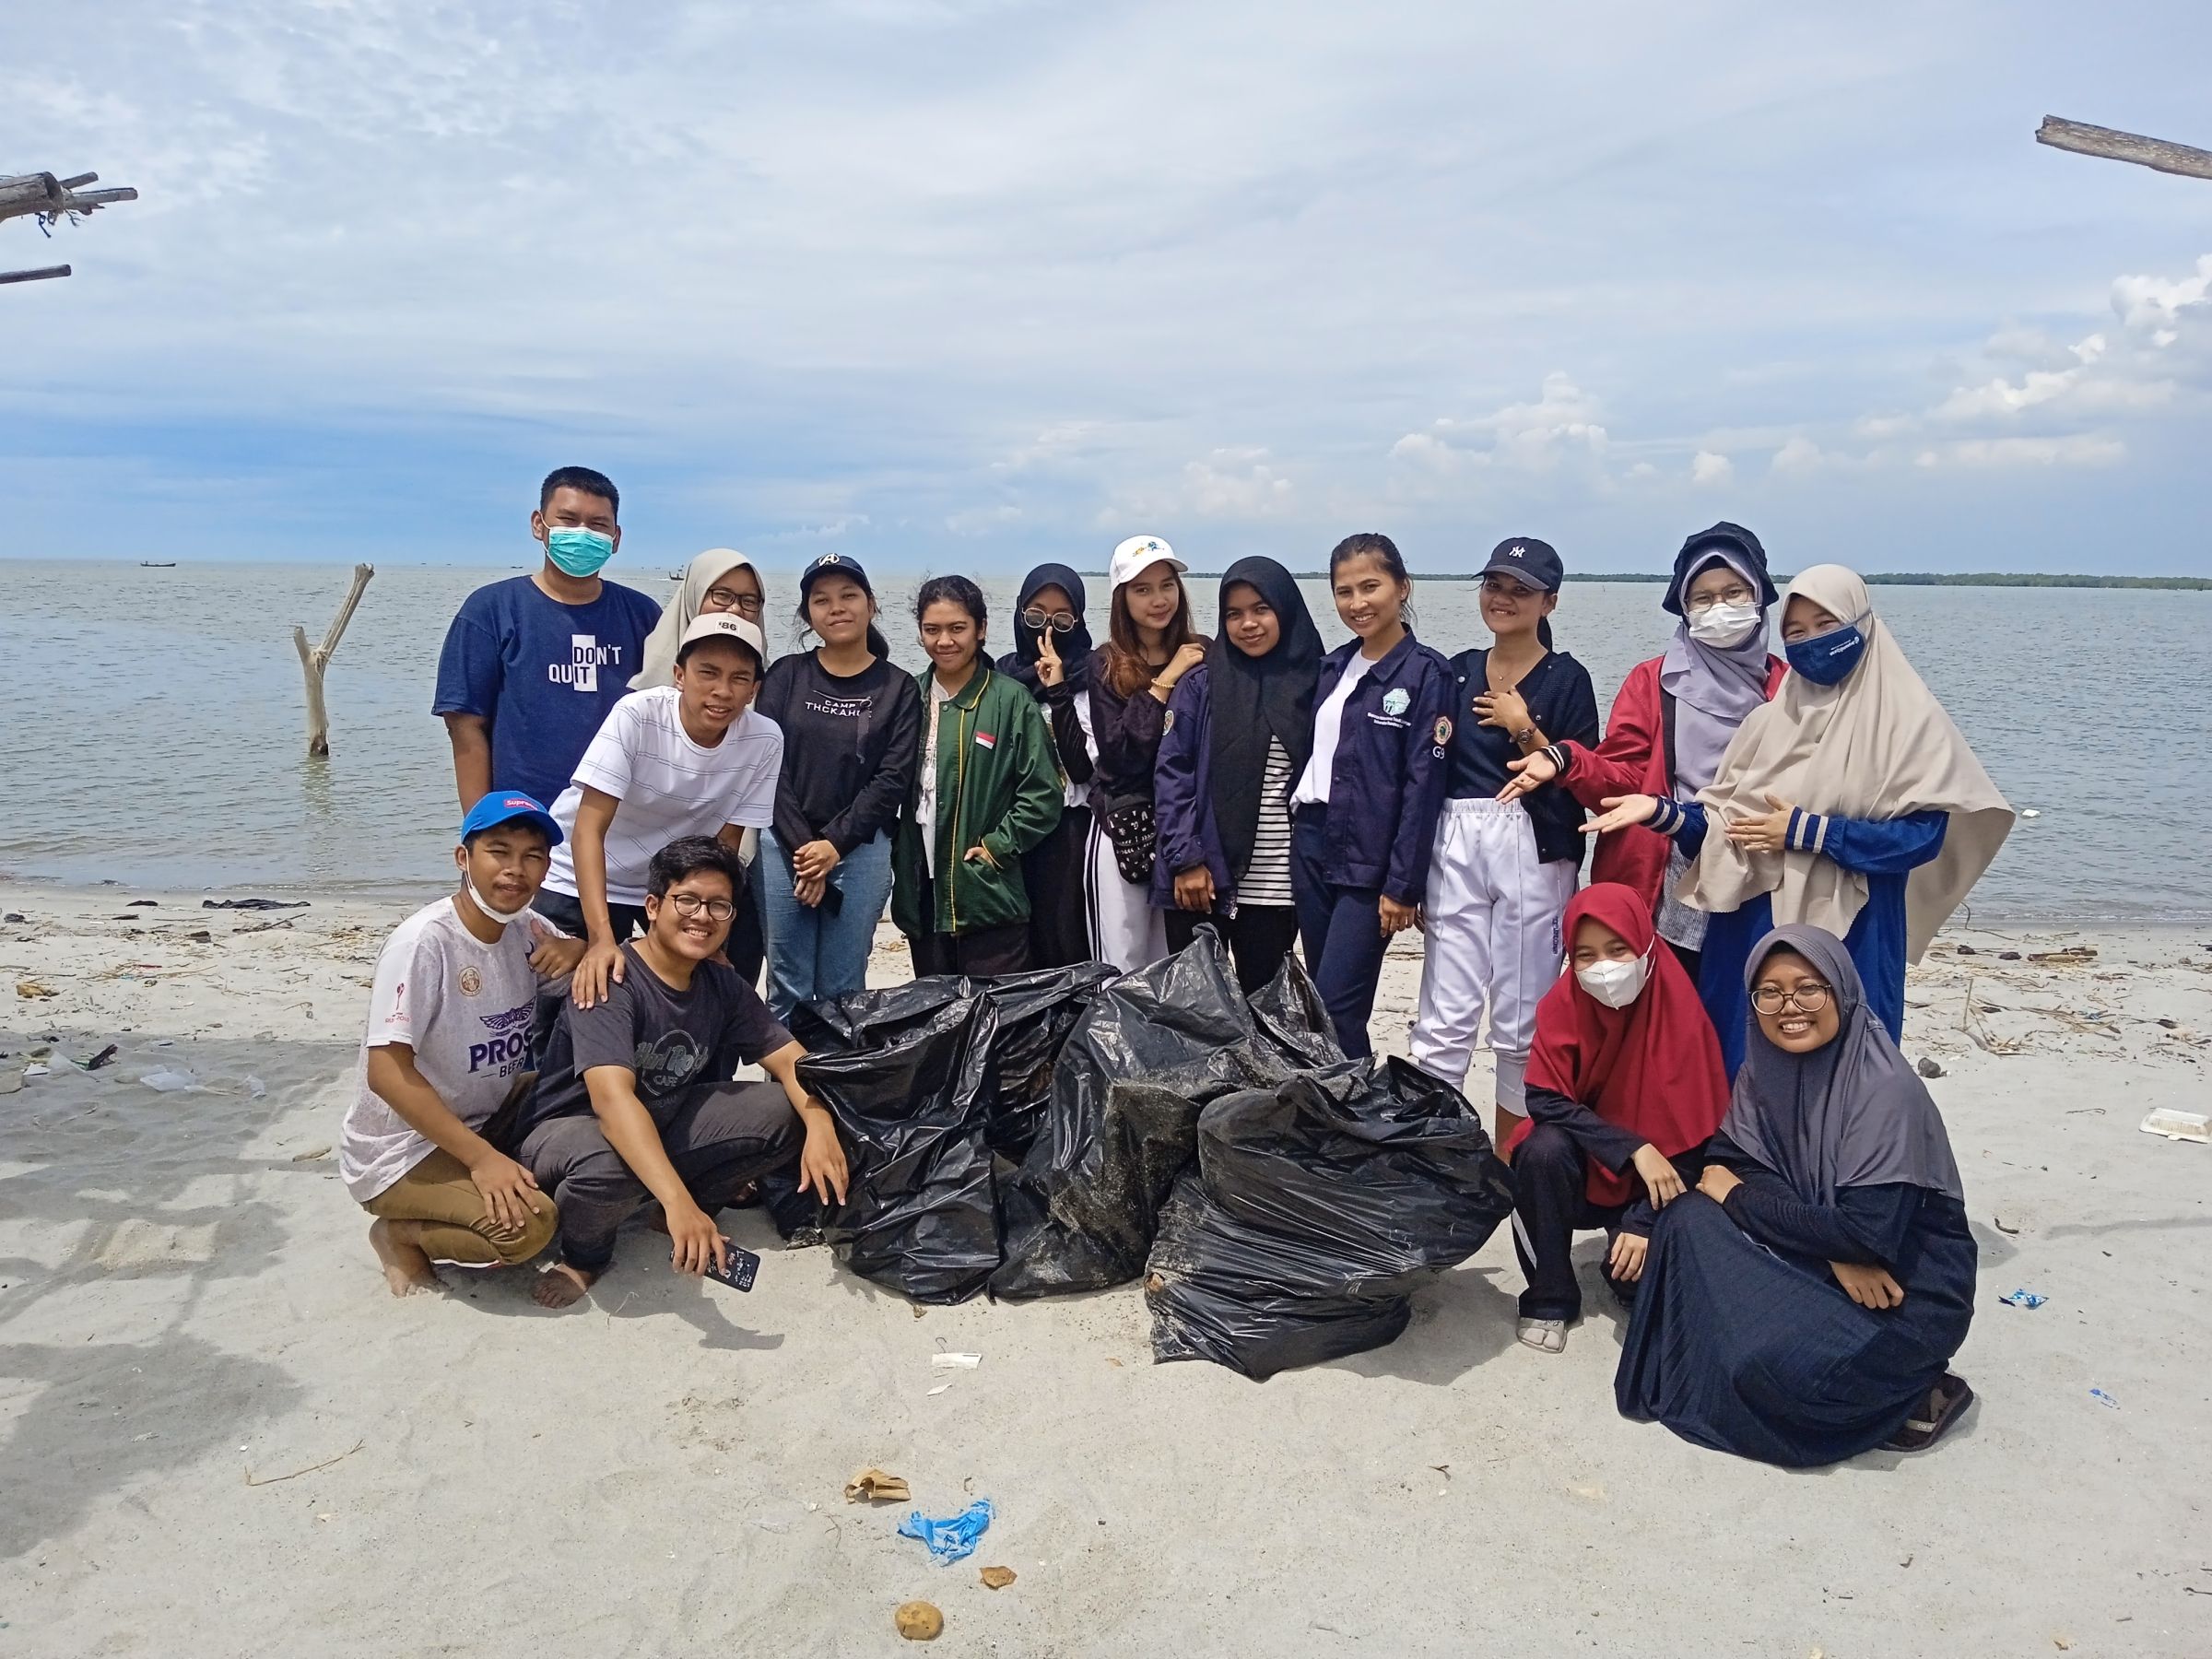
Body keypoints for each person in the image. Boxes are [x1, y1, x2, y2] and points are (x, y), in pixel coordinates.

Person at [1576, 566, 2014, 1075]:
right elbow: (1727, 829)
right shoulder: (1768, 722)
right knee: (1745, 1073)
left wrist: (1808, 833)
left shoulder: (1908, 724)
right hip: (1751, 927)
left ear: (1862, 623)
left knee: (1850, 1071)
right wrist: (1662, 813)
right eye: (1796, 634)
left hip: (1854, 929)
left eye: (1826, 626)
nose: (1810, 643)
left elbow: (1919, 840)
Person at [1615, 924, 1977, 1465]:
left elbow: (1866, 1232)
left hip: (1902, 1293)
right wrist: (1832, 1252)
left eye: (1809, 988)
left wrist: (1742, 1200)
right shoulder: (1764, 1074)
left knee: (1778, 1372)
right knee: (1686, 1218)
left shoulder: (1884, 1091)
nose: (1790, 1007)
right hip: (1831, 1263)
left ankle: (1919, 1388)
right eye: (1770, 992)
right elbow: (1733, 1162)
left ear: (1842, 990)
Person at [512, 836, 851, 1308]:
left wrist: (819, 1125)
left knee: (788, 1109)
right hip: (570, 1134)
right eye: (687, 900)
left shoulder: (720, 984)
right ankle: (584, 1257)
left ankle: (683, 1208)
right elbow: (613, 1104)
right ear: (652, 906)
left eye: (719, 906)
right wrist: (677, 1203)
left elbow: (791, 1059)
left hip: (660, 1119)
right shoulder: (610, 978)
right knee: (612, 1161)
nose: (702, 916)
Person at [1500, 523, 1783, 983]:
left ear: (1760, 597)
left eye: (1734, 593)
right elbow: (1622, 779)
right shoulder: (1654, 682)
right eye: (1703, 598)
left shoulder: (1789, 690)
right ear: (1684, 608)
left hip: (1760, 874)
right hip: (1664, 877)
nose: (1719, 609)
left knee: (1745, 1005)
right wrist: (1564, 758)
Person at [340, 793, 583, 1296]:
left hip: (487, 1111)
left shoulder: (526, 929)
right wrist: (482, 1160)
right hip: (402, 1148)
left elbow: (585, 964)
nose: (516, 870)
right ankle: (400, 1234)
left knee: (583, 1088)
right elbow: (385, 1072)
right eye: (499, 851)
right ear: (463, 858)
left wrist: (579, 947)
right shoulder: (423, 943)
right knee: (530, 1229)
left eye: (532, 856)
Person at [1410, 537, 1599, 1147]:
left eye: (1521, 589)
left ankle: (1515, 1163)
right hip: (1457, 836)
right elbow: (1428, 764)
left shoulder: (1567, 678)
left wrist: (1524, 728)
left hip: (1535, 841)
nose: (1504, 599)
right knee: (1444, 1015)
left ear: (1551, 600)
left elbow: (1582, 775)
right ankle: (1435, 1161)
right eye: (1495, 585)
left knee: (1523, 1019)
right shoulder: (1456, 669)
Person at [1506, 883, 1730, 1354]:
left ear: (1645, 944)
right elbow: (1544, 1098)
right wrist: (1632, 1149)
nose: (1604, 967)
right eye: (1584, 954)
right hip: (1590, 1169)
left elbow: (1700, 1136)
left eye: (1617, 948)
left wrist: (1645, 1222)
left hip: (1662, 1183)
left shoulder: (1682, 1014)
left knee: (1635, 1287)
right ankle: (1549, 1295)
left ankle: (1626, 1253)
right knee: (1539, 1149)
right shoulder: (1562, 1004)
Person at [535, 612, 782, 1011]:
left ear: (754, 689)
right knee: (566, 996)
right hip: (584, 872)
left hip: (672, 883)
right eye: (708, 673)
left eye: (739, 678)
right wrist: (600, 940)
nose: (722, 690)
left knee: (710, 991)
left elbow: (725, 847)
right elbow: (587, 829)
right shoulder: (637, 715)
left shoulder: (764, 739)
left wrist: (713, 936)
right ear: (679, 675)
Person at [1288, 533, 1453, 1058]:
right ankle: (1338, 1116)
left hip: (1371, 858)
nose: (1357, 603)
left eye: (1370, 586)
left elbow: (1423, 785)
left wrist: (1404, 884)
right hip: (1312, 842)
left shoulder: (1427, 672)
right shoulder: (1332, 667)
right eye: (1343, 592)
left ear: (1402, 588)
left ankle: (1359, 1124)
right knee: (1319, 1000)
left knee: (1339, 1003)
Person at [751, 555, 920, 1021]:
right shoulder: (785, 675)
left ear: (871, 604)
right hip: (783, 846)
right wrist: (807, 848)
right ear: (808, 614)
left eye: (849, 596)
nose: (837, 608)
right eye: (821, 600)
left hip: (861, 851)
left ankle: (834, 1091)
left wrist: (833, 846)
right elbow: (766, 765)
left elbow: (891, 779)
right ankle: (783, 1092)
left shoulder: (898, 688)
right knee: (788, 983)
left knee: (843, 986)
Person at [434, 465, 662, 811]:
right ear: (539, 525)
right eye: (568, 520)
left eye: (598, 524)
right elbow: (464, 726)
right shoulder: (491, 611)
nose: (582, 533)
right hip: (524, 820)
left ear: (615, 538)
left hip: (621, 818)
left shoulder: (643, 615)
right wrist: (481, 827)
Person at [1150, 556, 1322, 995]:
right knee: (1195, 1012)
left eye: (1261, 609)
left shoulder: (1318, 685)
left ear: (1285, 609)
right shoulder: (1201, 684)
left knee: (1263, 1008)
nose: (1248, 624)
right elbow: (1172, 775)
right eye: (1234, 613)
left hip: (1277, 885)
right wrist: (1186, 858)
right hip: (1201, 879)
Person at [891, 575, 1065, 976]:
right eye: (932, 630)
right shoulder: (907, 697)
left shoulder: (1010, 700)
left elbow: (1044, 793)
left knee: (995, 1022)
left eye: (957, 628)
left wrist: (996, 847)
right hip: (921, 893)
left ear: (981, 629)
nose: (944, 641)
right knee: (935, 1019)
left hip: (987, 892)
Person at [631, 548, 772, 986]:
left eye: (749, 601)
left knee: (726, 981)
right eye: (721, 595)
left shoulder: (758, 706)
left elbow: (736, 824)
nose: (735, 609)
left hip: (720, 872)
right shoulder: (641, 704)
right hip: (631, 873)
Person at [1086, 535, 1206, 971]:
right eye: (1142, 589)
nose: (1159, 599)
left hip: (1187, 826)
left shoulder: (1203, 651)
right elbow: (1118, 756)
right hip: (1124, 823)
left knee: (1181, 957)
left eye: (1167, 585)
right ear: (1122, 598)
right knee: (1124, 956)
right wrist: (1165, 681)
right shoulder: (1107, 663)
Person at [997, 563, 1099, 969]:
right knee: (1021, 941)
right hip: (1014, 827)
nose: (1049, 631)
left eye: (1062, 619)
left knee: (1069, 937)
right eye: (1036, 617)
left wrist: (1058, 689)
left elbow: (1080, 770)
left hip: (1075, 829)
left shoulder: (1096, 674)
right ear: (1020, 615)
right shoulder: (1001, 676)